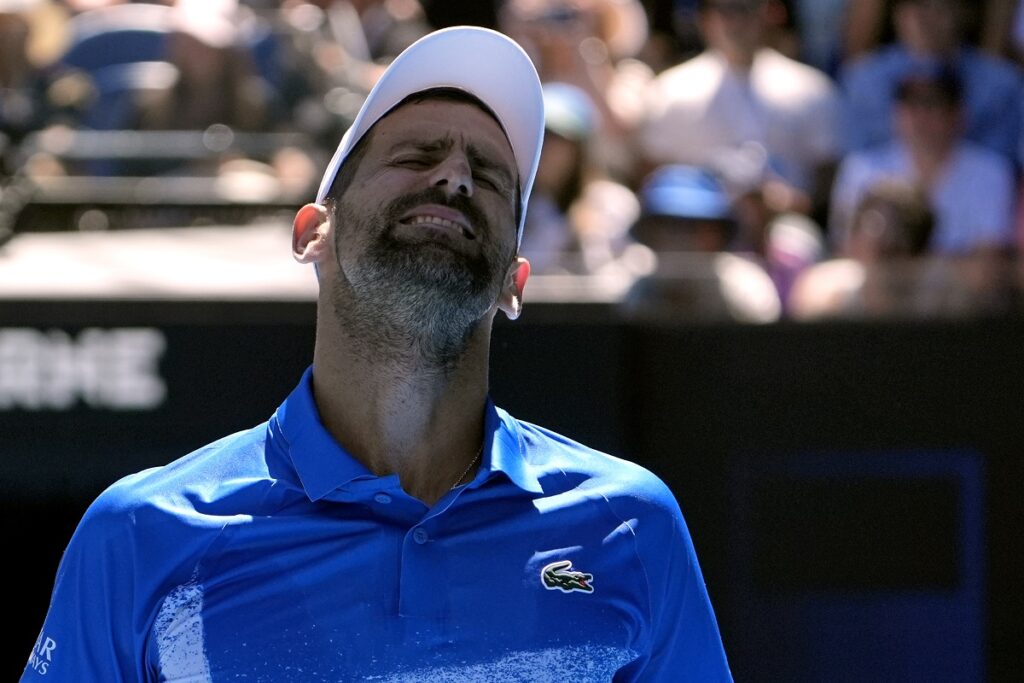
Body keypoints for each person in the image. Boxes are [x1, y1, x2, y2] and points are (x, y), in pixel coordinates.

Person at [22, 27, 731, 681]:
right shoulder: (141, 531)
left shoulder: (633, 524)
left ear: (516, 281)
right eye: (417, 155)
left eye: (487, 176)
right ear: (312, 235)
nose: (455, 177)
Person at [637, 0, 842, 218]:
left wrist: (795, 202)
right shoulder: (670, 91)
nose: (737, 22)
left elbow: (830, 176)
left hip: (787, 230)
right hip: (695, 234)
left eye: (747, 9)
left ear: (769, 14)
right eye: (726, 10)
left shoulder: (813, 90)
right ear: (705, 19)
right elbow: (651, 175)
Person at [830, 66, 1016, 255]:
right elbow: (847, 250)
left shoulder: (992, 170)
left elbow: (987, 266)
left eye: (931, 103)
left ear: (958, 114)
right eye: (910, 104)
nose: (920, 115)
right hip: (876, 284)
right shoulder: (859, 167)